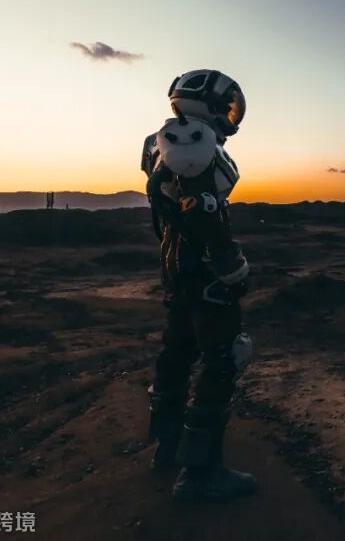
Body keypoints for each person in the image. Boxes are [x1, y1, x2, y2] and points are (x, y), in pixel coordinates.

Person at [139, 69, 255, 500]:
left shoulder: (162, 142)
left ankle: (167, 445)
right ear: (210, 102)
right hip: (205, 272)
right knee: (224, 359)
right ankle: (201, 473)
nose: (233, 113)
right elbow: (204, 210)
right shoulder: (195, 142)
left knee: (177, 351)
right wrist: (231, 265)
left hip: (177, 269)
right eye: (229, 104)